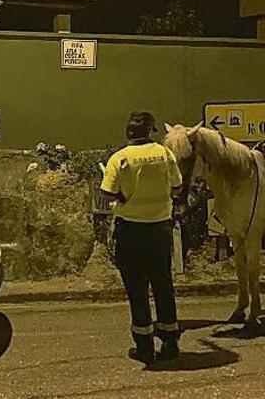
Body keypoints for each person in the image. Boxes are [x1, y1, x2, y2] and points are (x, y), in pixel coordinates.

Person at [100, 111, 184, 364]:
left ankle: (144, 347)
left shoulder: (119, 158)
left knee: (137, 291)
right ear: (149, 132)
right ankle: (170, 343)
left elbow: (106, 194)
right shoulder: (164, 154)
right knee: (163, 286)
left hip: (131, 231)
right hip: (159, 230)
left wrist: (122, 198)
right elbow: (177, 187)